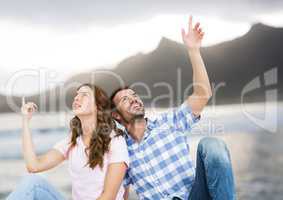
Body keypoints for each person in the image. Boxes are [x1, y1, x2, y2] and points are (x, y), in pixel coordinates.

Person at [110, 16, 236, 200]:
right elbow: (118, 191)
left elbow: (203, 94)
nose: (134, 99)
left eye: (135, 95)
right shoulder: (122, 151)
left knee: (211, 145)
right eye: (125, 99)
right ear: (116, 115)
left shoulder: (169, 122)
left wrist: (194, 51)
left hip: (194, 196)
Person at [7, 83, 129, 200]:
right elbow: (33, 166)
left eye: (84, 95)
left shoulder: (115, 141)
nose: (77, 98)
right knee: (33, 183)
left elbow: (109, 196)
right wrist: (25, 120)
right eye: (77, 95)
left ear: (98, 106)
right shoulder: (72, 142)